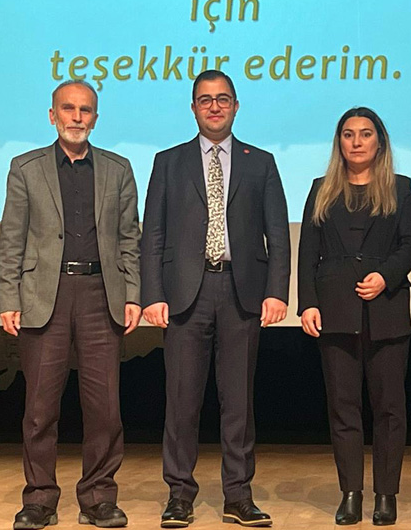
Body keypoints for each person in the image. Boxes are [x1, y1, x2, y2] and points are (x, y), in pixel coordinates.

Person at [140, 70, 290, 528]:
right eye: (205, 100)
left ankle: (238, 496)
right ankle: (179, 495)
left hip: (241, 292)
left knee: (238, 402)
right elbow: (153, 234)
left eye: (223, 99)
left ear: (236, 106)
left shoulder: (260, 162)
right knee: (181, 401)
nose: (215, 106)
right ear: (193, 108)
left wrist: (277, 291)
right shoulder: (168, 162)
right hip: (185, 293)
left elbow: (278, 234)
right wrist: (152, 294)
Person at [0, 80, 142, 530]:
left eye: (86, 110)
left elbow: (130, 239)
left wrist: (133, 293)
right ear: (52, 115)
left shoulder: (118, 169)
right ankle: (39, 499)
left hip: (101, 295)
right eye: (68, 109)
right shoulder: (26, 168)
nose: (77, 117)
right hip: (46, 295)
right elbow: (11, 238)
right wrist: (7, 297)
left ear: (96, 117)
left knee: (105, 408)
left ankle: (98, 497)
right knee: (40, 408)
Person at [297, 107, 411, 526]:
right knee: (343, 408)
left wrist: (386, 276)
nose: (356, 142)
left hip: (386, 310)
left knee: (389, 409)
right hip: (335, 311)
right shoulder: (321, 190)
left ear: (379, 142)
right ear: (339, 142)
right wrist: (307, 303)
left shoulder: (400, 189)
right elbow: (307, 251)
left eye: (365, 134)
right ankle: (350, 493)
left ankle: (386, 495)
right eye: (348, 134)